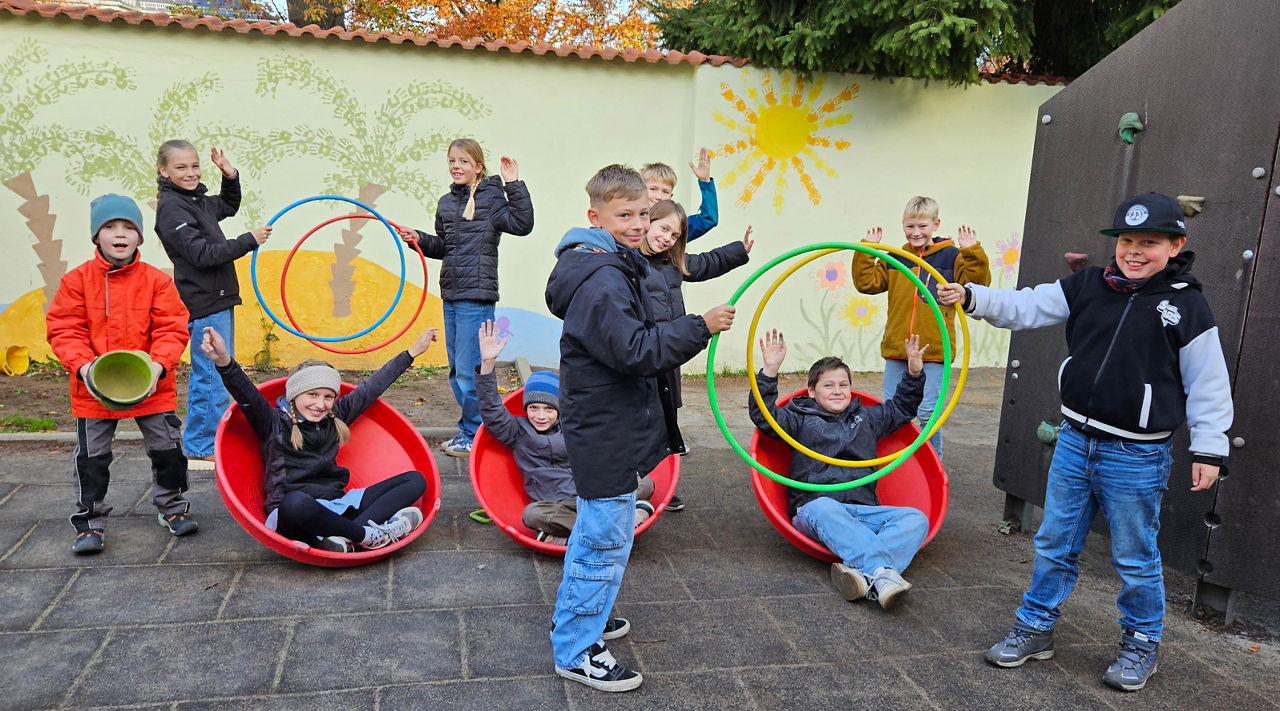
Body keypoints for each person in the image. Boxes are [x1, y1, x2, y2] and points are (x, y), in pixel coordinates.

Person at [936, 192, 1233, 692]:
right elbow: (1026, 306)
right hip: (1076, 441)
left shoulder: (1186, 304)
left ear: (1176, 244)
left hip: (1136, 454)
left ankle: (1141, 642)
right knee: (1055, 542)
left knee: (1135, 556)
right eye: (1127, 241)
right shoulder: (1089, 285)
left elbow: (1208, 382)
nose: (1135, 251)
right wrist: (972, 297)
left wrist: (1210, 448)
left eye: (1150, 243)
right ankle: (1035, 628)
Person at [544, 164, 735, 692]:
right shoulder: (602, 278)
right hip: (603, 425)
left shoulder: (609, 264)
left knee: (598, 529)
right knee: (604, 536)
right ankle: (577, 649)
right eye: (623, 215)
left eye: (642, 213)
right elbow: (635, 350)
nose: (636, 223)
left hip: (607, 418)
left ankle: (581, 616)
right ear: (595, 217)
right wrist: (700, 326)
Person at [201, 326, 438, 552]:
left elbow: (371, 387)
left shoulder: (336, 415)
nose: (320, 404)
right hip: (298, 516)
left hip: (338, 507)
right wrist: (223, 361)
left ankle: (345, 540)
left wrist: (412, 353)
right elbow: (246, 395)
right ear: (294, 395)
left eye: (328, 396)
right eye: (312, 395)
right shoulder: (273, 422)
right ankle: (369, 536)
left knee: (415, 480)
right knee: (295, 503)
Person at [46, 194, 194, 553]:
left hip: (151, 386)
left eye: (129, 227)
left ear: (140, 237)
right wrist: (84, 368)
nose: (120, 234)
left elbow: (172, 328)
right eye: (110, 227)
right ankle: (90, 523)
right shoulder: (76, 281)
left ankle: (172, 508)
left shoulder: (157, 281)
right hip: (93, 390)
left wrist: (157, 365)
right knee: (92, 459)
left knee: (168, 450)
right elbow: (64, 329)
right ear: (96, 236)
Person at [749, 329, 930, 609]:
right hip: (815, 509)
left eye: (843, 385)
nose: (837, 391)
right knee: (824, 507)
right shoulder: (800, 419)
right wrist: (769, 372)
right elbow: (764, 415)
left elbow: (903, 409)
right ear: (811, 391)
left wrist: (914, 374)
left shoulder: (867, 417)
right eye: (828, 385)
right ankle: (881, 572)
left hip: (861, 511)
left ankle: (866, 574)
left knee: (916, 519)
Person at [396, 138, 534, 458]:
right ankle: (471, 429)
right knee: (457, 369)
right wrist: (418, 239)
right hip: (452, 294)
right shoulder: (446, 202)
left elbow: (523, 224)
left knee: (472, 368)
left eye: (464, 161)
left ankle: (475, 433)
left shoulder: (491, 198)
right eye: (452, 161)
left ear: (477, 166)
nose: (456, 166)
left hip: (477, 295)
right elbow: (444, 246)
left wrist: (513, 183)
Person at [475, 320, 655, 545]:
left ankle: (575, 533)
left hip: (592, 494)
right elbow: (491, 409)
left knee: (645, 483)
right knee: (532, 515)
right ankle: (617, 522)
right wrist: (487, 363)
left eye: (549, 409)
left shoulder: (573, 426)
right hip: (556, 504)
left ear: (559, 410)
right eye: (533, 408)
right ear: (526, 409)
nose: (540, 416)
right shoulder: (517, 432)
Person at [153, 140, 271, 465]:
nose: (191, 172)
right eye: (181, 167)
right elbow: (202, 256)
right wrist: (249, 240)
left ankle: (207, 439)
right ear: (164, 171)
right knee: (210, 375)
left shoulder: (196, 201)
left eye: (194, 165)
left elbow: (228, 205)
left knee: (220, 371)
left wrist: (229, 175)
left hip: (219, 297)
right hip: (204, 301)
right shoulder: (172, 209)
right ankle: (201, 446)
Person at [853, 195, 990, 459]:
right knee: (892, 410)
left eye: (922, 226)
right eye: (910, 226)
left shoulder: (953, 256)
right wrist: (866, 250)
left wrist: (972, 252)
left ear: (936, 224)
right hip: (897, 347)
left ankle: (932, 463)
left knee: (928, 412)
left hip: (934, 348)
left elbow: (975, 284)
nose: (916, 233)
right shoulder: (897, 257)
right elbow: (867, 283)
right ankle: (892, 462)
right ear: (903, 225)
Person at [637, 198, 752, 510]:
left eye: (674, 236)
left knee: (668, 415)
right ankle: (639, 484)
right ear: (647, 221)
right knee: (644, 420)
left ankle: (663, 484)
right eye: (663, 229)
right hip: (645, 352)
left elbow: (706, 262)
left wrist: (738, 251)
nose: (667, 238)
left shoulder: (674, 263)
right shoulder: (630, 262)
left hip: (669, 354)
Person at [641, 147, 718, 241]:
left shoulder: (675, 226)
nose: (659, 197)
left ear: (671, 197)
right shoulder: (630, 221)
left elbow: (708, 219)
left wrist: (705, 182)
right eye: (653, 189)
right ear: (641, 190)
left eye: (665, 192)